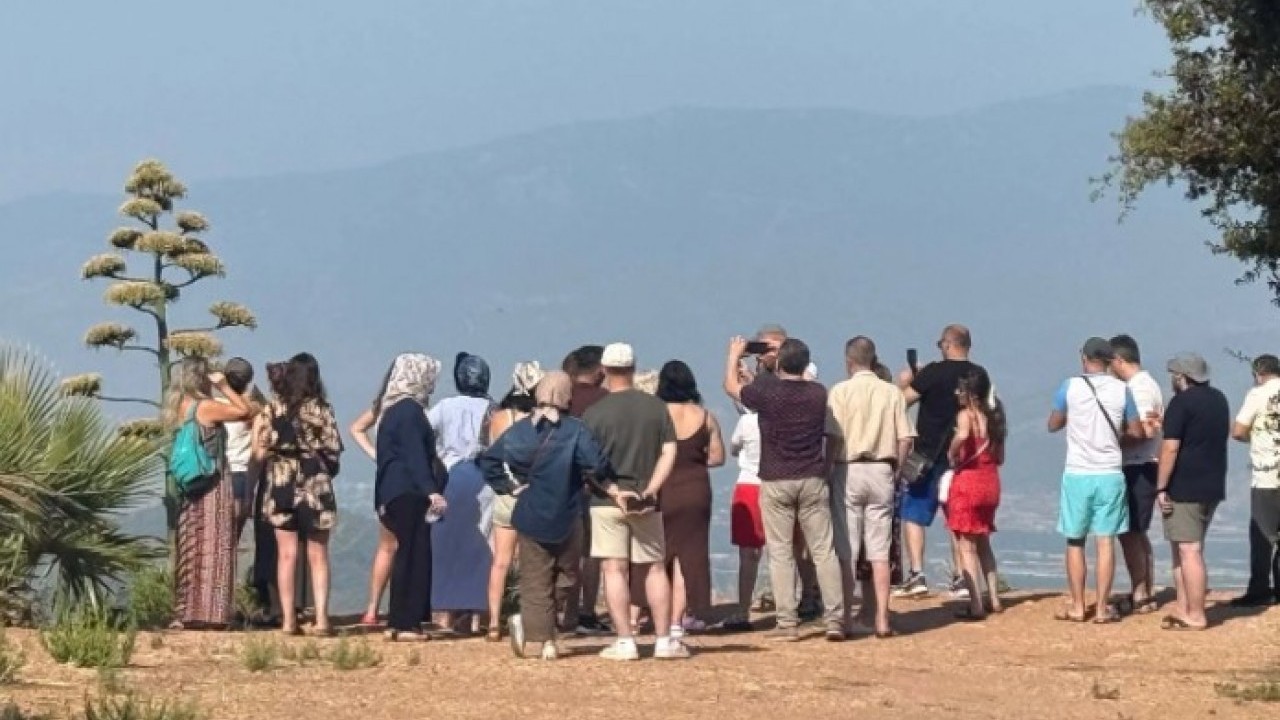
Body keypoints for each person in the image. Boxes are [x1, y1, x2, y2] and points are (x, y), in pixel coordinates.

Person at [480, 372, 611, 660]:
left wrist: (510, 487)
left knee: (535, 577)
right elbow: (596, 464)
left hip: (529, 511)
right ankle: (545, 634)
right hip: (569, 512)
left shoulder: (523, 431)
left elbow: (489, 460)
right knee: (567, 574)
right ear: (568, 397)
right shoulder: (577, 430)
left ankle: (535, 628)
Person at [725, 336, 846, 642]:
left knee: (779, 552)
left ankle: (786, 622)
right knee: (823, 550)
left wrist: (734, 356)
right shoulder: (819, 393)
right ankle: (835, 619)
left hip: (776, 477)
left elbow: (732, 389)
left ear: (779, 364)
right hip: (812, 476)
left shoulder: (769, 394)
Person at [583, 342, 689, 660]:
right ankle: (663, 639)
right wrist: (651, 489)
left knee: (613, 568)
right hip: (646, 499)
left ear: (604, 370)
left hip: (607, 501)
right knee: (655, 568)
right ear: (633, 367)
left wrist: (614, 490)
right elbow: (669, 451)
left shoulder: (594, 413)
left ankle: (625, 640)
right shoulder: (656, 408)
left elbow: (588, 462)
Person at [1047, 338, 1144, 624]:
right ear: (1109, 360)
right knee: (1106, 541)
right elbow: (1136, 430)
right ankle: (1101, 608)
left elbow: (1053, 423)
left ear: (1084, 358)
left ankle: (1078, 605)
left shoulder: (1070, 386)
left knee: (1075, 540)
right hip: (1110, 472)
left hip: (1077, 471)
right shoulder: (1122, 390)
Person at [826, 337, 915, 637]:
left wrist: (828, 466)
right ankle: (881, 620)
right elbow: (905, 438)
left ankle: (846, 621)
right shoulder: (891, 393)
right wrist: (897, 468)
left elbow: (833, 436)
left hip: (848, 468)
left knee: (847, 548)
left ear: (848, 360)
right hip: (881, 468)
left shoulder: (839, 391)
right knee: (879, 551)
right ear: (874, 360)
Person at [896, 324, 991, 598]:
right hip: (963, 459)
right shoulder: (979, 375)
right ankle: (962, 577)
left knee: (913, 513)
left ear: (948, 345)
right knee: (957, 519)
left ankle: (917, 574)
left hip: (926, 454)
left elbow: (902, 402)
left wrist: (910, 380)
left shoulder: (933, 373)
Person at [253, 353, 344, 635]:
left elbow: (259, 448)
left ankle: (289, 620)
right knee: (318, 555)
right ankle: (322, 619)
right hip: (314, 483)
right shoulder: (322, 409)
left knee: (286, 555)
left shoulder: (274, 408)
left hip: (280, 482)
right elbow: (333, 447)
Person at [168, 357, 252, 630]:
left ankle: (186, 610)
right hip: (212, 483)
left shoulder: (179, 407)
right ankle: (211, 613)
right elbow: (245, 411)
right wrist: (226, 387)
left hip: (190, 484)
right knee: (216, 544)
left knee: (192, 545)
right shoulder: (205, 407)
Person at [374, 353, 447, 642]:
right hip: (409, 492)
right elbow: (416, 456)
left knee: (405, 551)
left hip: (392, 491)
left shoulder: (390, 410)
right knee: (416, 553)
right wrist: (431, 490)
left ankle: (397, 619)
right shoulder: (410, 412)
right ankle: (408, 621)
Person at [1156, 353, 1230, 630]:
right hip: (1212, 483)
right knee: (1182, 546)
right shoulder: (1219, 400)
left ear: (1181, 377)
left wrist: (1161, 485)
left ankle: (1196, 614)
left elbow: (1170, 447)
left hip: (1185, 485)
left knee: (1189, 550)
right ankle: (1184, 607)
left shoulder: (1181, 403)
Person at [652, 360, 725, 635]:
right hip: (695, 488)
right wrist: (694, 459)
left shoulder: (657, 415)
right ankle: (677, 619)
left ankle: (655, 613)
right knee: (690, 555)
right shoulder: (705, 417)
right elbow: (718, 457)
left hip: (663, 487)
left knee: (659, 553)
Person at [427, 352, 496, 633]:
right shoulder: (495, 408)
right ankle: (478, 615)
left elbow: (426, 433)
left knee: (444, 545)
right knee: (482, 544)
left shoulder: (445, 406)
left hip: (450, 477)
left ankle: (443, 613)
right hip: (485, 480)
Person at [483, 360, 544, 641]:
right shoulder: (540, 421)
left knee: (500, 561)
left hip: (505, 493)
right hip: (534, 494)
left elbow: (488, 450)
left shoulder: (499, 418)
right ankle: (529, 616)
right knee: (533, 561)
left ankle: (494, 621)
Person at [1109, 335, 1164, 615]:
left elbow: (1143, 431)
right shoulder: (1146, 385)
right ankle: (1145, 588)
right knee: (1137, 531)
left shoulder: (1138, 389)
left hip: (1137, 465)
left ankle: (1141, 590)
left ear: (1118, 360)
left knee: (1130, 532)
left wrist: (1109, 443)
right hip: (1144, 464)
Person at [945, 369, 1007, 621]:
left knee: (966, 546)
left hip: (968, 482)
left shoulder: (965, 416)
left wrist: (951, 453)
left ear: (970, 394)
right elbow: (1000, 458)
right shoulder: (994, 420)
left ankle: (976, 604)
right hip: (990, 482)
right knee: (983, 542)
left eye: (960, 390)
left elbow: (961, 435)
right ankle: (993, 597)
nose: (956, 394)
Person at [561, 345, 612, 635]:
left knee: (567, 551)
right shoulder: (604, 401)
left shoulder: (564, 399)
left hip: (563, 484)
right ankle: (587, 610)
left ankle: (564, 609)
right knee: (592, 552)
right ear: (599, 371)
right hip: (596, 486)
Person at [349, 359, 402, 626]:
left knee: (386, 547)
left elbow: (356, 428)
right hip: (405, 483)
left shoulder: (382, 406)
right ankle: (402, 608)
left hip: (385, 482)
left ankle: (372, 609)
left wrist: (377, 456)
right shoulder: (410, 408)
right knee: (406, 547)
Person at [1230, 354, 1280, 607]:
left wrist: (1256, 438)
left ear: (1258, 374)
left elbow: (1238, 430)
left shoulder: (1258, 395)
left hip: (1267, 475)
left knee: (1262, 535)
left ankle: (1259, 588)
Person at [724, 406, 764, 631]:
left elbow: (733, 447)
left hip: (749, 483)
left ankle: (743, 609)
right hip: (775, 483)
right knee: (782, 550)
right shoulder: (784, 415)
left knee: (748, 554)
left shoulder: (748, 421)